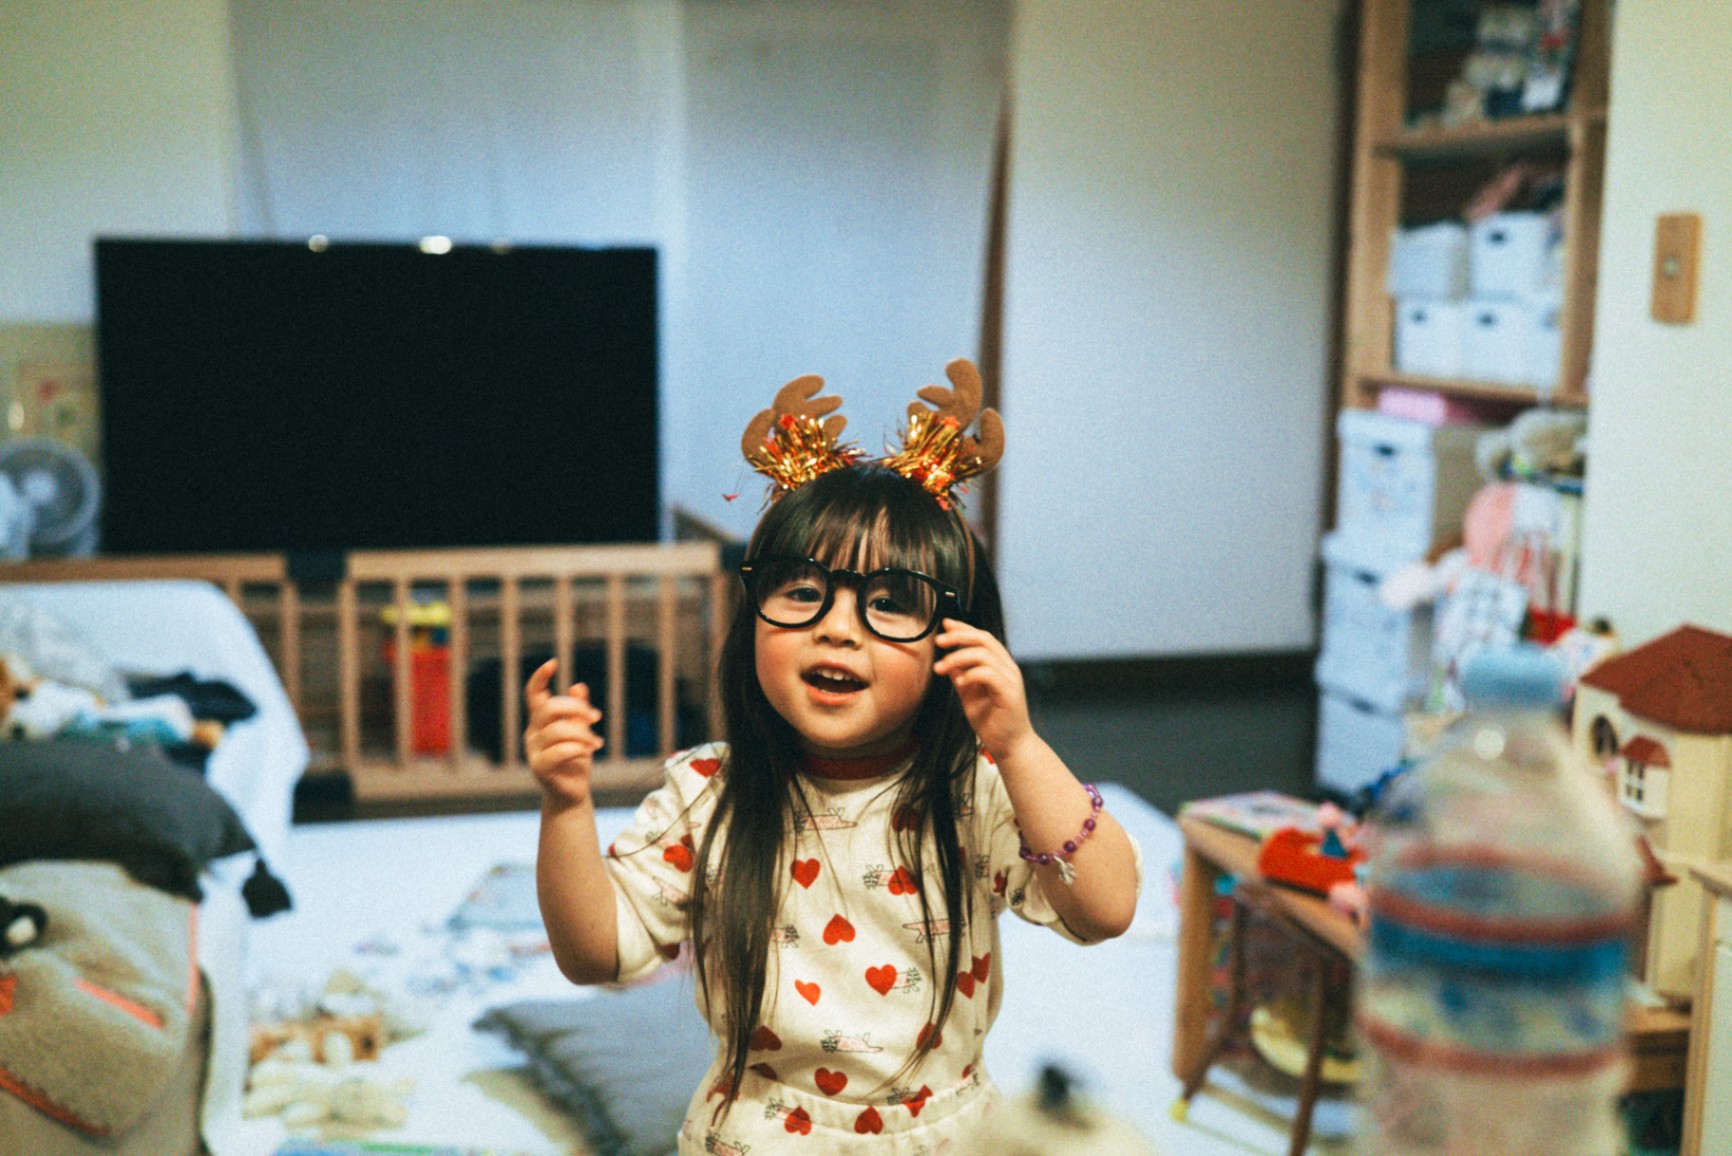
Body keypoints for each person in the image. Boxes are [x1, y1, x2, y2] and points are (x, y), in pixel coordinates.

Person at [526, 361, 1142, 1154]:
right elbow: (593, 954)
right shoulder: (707, 793)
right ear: (753, 616)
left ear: (955, 639)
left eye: (889, 602)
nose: (838, 627)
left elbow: (1106, 909)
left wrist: (1018, 745)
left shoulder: (974, 791)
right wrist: (564, 806)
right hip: (760, 1133)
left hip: (946, 1134)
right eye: (801, 590)